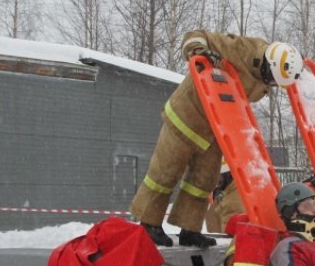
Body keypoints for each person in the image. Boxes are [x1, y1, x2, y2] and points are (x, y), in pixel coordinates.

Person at [130, 30, 303, 248]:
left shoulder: (267, 71)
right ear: (268, 63)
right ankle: (149, 222)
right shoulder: (241, 50)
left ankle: (189, 229)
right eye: (271, 78)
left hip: (215, 127)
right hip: (186, 117)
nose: (270, 84)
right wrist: (199, 51)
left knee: (204, 181)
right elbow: (197, 35)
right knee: (165, 172)